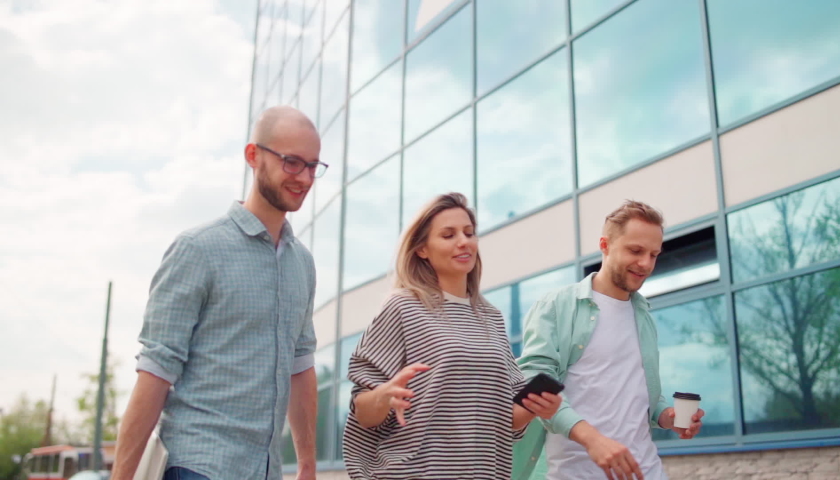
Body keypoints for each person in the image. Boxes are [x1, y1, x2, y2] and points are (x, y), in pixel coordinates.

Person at [111, 106, 328, 480]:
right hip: (199, 465)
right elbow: (155, 371)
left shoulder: (302, 264)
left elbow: (301, 365)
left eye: (312, 166)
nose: (304, 178)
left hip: (265, 471)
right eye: (292, 162)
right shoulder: (198, 249)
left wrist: (307, 463)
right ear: (253, 156)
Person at [342, 193, 562, 480]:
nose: (464, 241)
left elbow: (506, 420)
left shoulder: (491, 318)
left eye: (469, 233)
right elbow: (363, 412)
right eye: (448, 235)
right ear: (422, 249)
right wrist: (384, 395)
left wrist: (536, 407)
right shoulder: (403, 307)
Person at [514, 200, 705, 480]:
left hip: (647, 471)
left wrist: (666, 416)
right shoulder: (557, 306)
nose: (646, 264)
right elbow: (534, 383)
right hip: (577, 473)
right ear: (604, 245)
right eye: (636, 251)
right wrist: (593, 439)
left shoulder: (643, 316)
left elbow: (639, 392)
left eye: (654, 254)